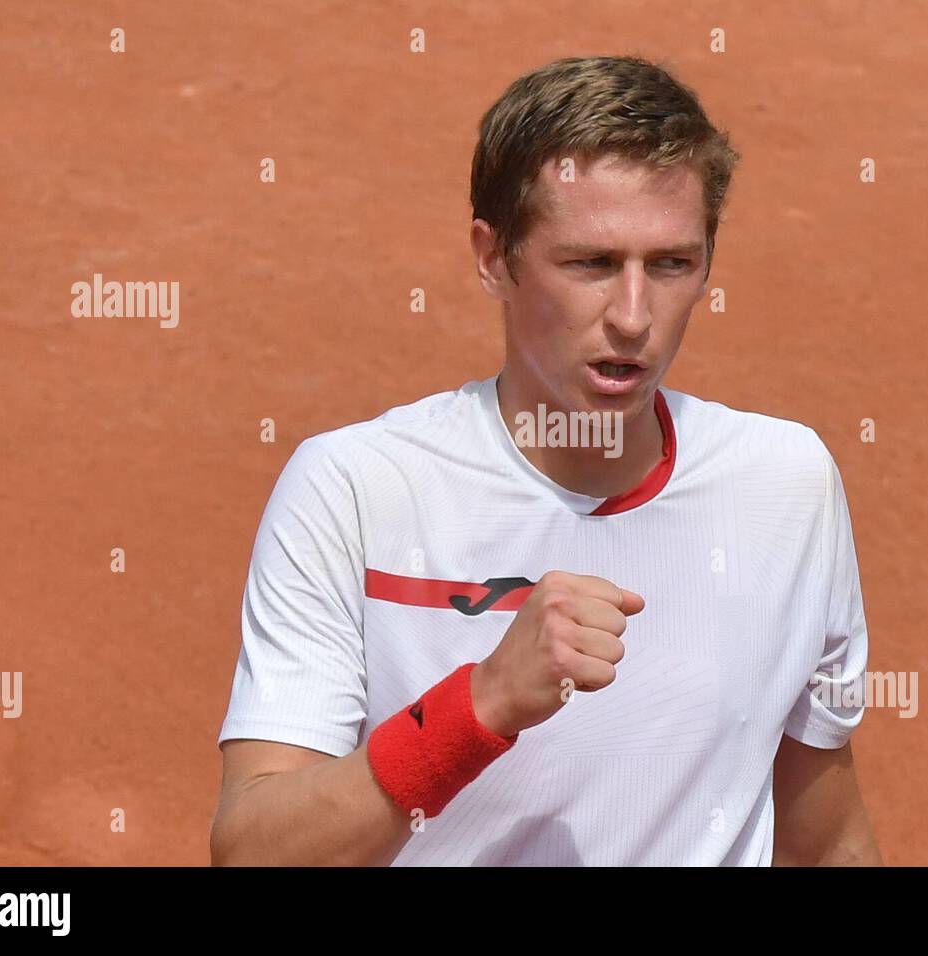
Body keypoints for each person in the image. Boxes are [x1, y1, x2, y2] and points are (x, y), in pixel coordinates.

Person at [210, 54, 881, 866]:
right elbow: (255, 852)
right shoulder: (355, 489)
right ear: (494, 258)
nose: (634, 318)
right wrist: (483, 705)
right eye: (591, 264)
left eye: (671, 264)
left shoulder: (787, 484)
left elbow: (828, 833)